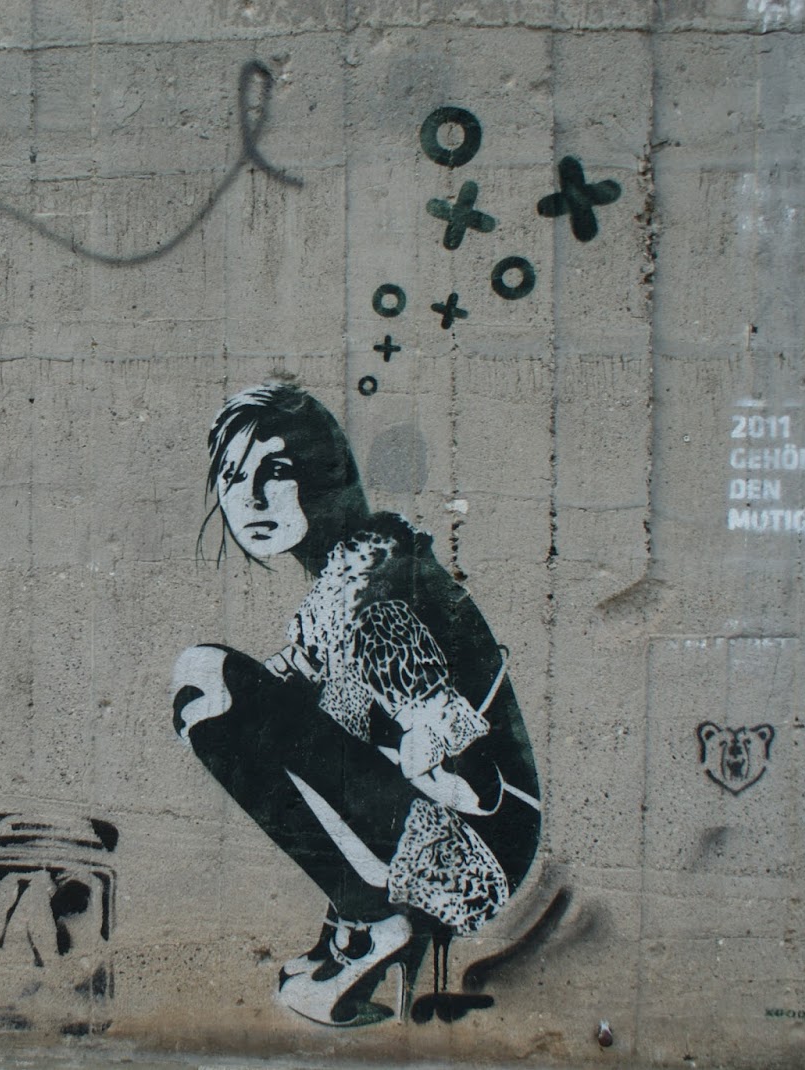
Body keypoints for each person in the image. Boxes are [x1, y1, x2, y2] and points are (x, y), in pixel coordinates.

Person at [171, 381, 541, 1027]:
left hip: (475, 852)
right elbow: (305, 717)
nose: (248, 497)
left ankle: (370, 922)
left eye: (275, 471)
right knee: (233, 700)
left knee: (208, 681)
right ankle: (358, 922)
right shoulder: (340, 589)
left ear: (323, 475)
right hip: (456, 831)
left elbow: (466, 770)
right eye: (232, 476)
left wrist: (426, 757)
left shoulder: (375, 597)